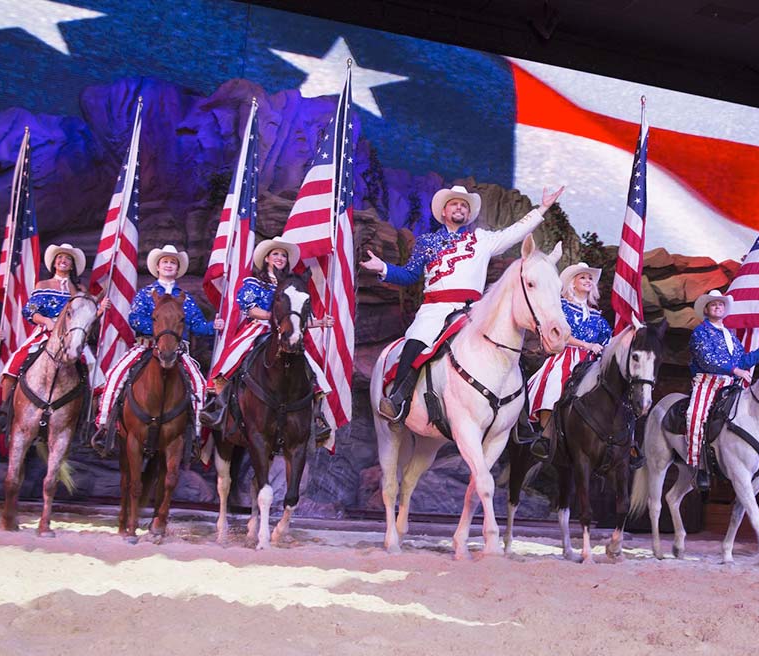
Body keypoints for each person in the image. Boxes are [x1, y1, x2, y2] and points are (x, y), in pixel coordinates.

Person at [361, 184, 565, 421]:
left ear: (468, 215)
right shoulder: (426, 242)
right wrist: (383, 268)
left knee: (507, 351)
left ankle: (518, 419)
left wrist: (543, 208)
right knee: (416, 340)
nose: (459, 208)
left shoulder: (481, 239)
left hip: (474, 312)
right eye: (454, 204)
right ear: (444, 212)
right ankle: (398, 399)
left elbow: (514, 232)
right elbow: (409, 275)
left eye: (464, 205)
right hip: (435, 310)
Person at [202, 237, 336, 449]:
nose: (280, 258)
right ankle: (217, 406)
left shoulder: (292, 286)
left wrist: (320, 322)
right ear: (266, 258)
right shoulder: (254, 282)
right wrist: (272, 317)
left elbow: (298, 317)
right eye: (276, 254)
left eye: (283, 255)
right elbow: (250, 308)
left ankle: (316, 417)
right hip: (259, 328)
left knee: (312, 369)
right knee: (234, 358)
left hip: (286, 331)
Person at [91, 245, 213, 451]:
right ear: (157, 266)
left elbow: (198, 325)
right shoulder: (145, 293)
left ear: (177, 269)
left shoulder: (186, 298)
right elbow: (135, 318)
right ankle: (104, 425)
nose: (168, 265)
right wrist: (161, 331)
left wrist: (215, 326)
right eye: (165, 261)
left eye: (172, 262)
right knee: (115, 375)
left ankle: (196, 436)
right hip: (146, 346)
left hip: (177, 351)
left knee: (200, 384)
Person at [0, 243, 109, 434]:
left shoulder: (80, 289)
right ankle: (4, 410)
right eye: (60, 257)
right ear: (54, 263)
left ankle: (90, 421)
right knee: (13, 365)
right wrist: (45, 321)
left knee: (95, 373)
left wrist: (99, 312)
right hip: (45, 332)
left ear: (72, 265)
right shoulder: (43, 286)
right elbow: (30, 310)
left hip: (72, 335)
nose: (63, 261)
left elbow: (86, 316)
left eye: (67, 259)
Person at [685, 289, 759, 491]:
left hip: (730, 384)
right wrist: (735, 370)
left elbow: (742, 361)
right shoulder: (700, 332)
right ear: (707, 309)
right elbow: (706, 359)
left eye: (721, 304)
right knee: (695, 415)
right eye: (714, 304)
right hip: (707, 382)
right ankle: (698, 465)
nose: (718, 306)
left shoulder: (731, 336)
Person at [524, 262, 611, 460]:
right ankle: (545, 437)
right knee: (555, 384)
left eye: (590, 278)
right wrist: (587, 345)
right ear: (572, 282)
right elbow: (559, 332)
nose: (588, 281)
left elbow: (607, 339)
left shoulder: (597, 315)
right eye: (583, 277)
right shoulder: (562, 306)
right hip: (567, 355)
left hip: (592, 361)